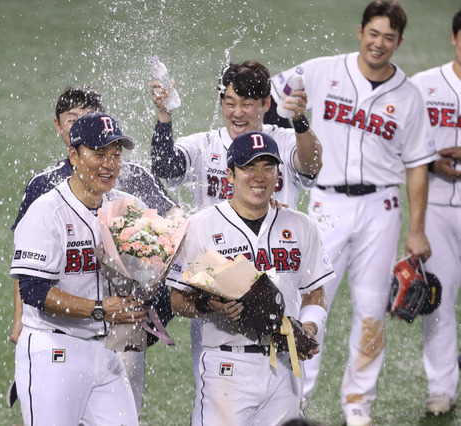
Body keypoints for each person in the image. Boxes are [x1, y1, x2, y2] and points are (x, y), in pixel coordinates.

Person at [269, 2, 435, 424]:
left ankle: (358, 402)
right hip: (326, 204)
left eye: (389, 38)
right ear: (361, 31)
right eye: (374, 34)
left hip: (382, 208)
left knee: (371, 308)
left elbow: (417, 165)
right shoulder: (323, 70)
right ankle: (295, 397)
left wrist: (416, 229)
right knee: (311, 302)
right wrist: (289, 107)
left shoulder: (409, 96)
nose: (379, 44)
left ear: (398, 42)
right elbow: (265, 94)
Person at [9, 86, 179, 414]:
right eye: (99, 154)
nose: (109, 164)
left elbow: (164, 257)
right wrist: (102, 309)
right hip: (54, 351)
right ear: (74, 156)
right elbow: (33, 290)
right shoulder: (47, 210)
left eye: (116, 155)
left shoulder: (127, 208)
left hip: (107, 355)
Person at [165, 131, 335, 424]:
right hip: (227, 367)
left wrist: (308, 327)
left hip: (285, 366)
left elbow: (314, 293)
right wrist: (209, 306)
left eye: (268, 167)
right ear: (230, 174)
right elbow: (177, 299)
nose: (259, 176)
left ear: (278, 174)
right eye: (249, 167)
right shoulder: (201, 228)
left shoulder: (301, 226)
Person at [151, 60, 323, 213]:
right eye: (230, 104)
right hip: (213, 248)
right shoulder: (202, 144)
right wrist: (165, 115)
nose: (238, 113)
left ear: (267, 103)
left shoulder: (285, 141)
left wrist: (299, 120)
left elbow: (312, 166)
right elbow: (163, 168)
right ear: (221, 104)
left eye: (247, 104)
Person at [410, 8, 461, 415]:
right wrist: (429, 162)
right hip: (438, 208)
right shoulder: (424, 86)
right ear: (454, 39)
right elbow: (395, 145)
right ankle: (441, 388)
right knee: (438, 301)